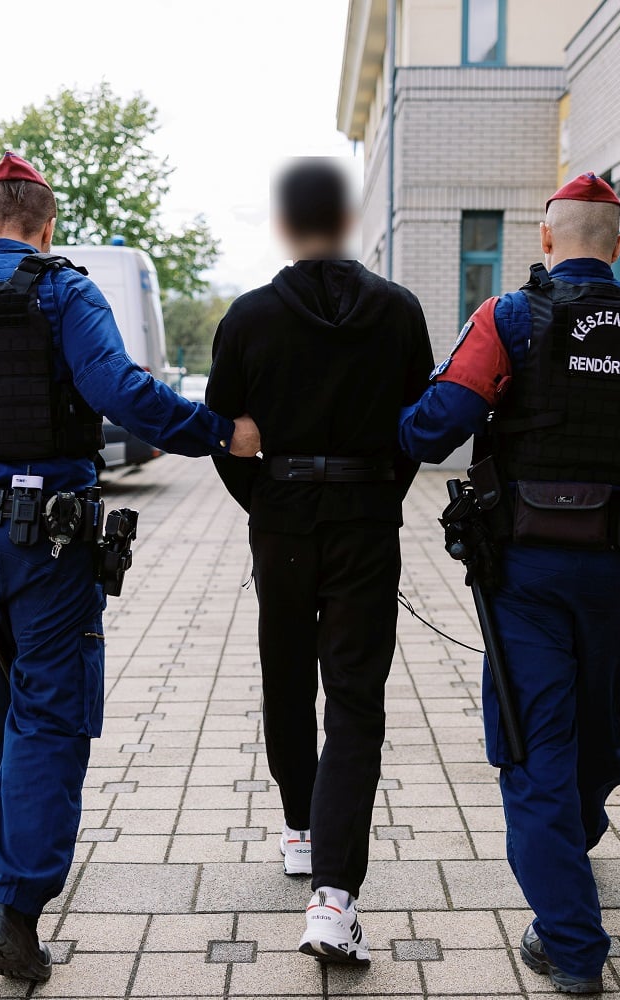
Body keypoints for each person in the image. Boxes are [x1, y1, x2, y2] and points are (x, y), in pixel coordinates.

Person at [0, 151, 260, 986]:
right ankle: (13, 903)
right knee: (49, 708)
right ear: (46, 228)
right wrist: (218, 432)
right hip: (47, 543)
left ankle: (6, 849)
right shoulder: (65, 291)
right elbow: (120, 390)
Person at [399, 173, 620, 994]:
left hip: (525, 573)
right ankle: (567, 866)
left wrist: (398, 422)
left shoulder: (509, 317)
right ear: (619, 246)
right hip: (616, 570)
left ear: (546, 239)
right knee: (599, 735)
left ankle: (573, 945)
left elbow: (435, 429)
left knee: (534, 745)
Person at [207, 158, 434, 965]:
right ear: (346, 221)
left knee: (286, 675)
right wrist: (376, 490)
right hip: (367, 518)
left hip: (283, 518)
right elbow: (417, 427)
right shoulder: (399, 311)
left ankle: (300, 826)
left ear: (284, 224)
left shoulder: (249, 316)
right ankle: (334, 899)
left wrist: (268, 498)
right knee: (356, 698)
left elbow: (223, 433)